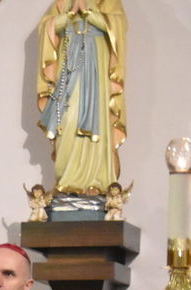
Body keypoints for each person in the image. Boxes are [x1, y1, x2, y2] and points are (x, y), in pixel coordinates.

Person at [37, 0, 127, 196]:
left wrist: (89, 11)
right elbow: (46, 27)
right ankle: (66, 180)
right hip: (69, 63)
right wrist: (69, 15)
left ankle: (96, 180)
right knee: (67, 118)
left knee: (96, 119)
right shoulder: (64, 2)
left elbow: (118, 25)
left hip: (95, 70)